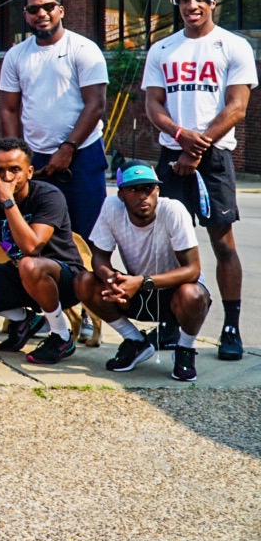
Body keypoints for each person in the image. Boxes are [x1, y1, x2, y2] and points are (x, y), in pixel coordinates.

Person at [141, 0, 256, 361]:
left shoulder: (233, 46)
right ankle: (173, 323)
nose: (191, 6)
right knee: (173, 244)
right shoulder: (161, 49)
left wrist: (197, 148)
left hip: (214, 156)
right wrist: (179, 136)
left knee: (222, 243)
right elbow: (153, 104)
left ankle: (231, 328)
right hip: (172, 154)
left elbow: (237, 106)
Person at [0, 0, 109, 249]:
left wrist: (68, 147)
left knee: (87, 236)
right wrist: (16, 157)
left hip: (82, 154)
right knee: (39, 239)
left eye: (48, 7)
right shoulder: (16, 55)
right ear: (26, 15)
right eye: (33, 9)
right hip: (36, 157)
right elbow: (9, 109)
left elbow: (95, 104)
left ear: (61, 10)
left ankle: (87, 288)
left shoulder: (83, 48)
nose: (42, 14)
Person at [0, 138, 84, 364]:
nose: (6, 177)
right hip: (21, 277)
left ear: (30, 171)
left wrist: (7, 201)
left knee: (29, 264)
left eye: (15, 170)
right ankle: (23, 319)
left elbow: (32, 247)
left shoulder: (48, 196)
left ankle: (61, 336)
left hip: (63, 279)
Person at [81, 162, 209, 382]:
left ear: (158, 190)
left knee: (193, 294)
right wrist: (111, 279)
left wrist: (142, 282)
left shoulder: (173, 210)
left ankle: (185, 349)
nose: (143, 196)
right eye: (133, 190)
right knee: (84, 281)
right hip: (137, 290)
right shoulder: (112, 207)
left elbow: (193, 270)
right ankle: (135, 342)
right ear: (121, 194)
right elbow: (99, 257)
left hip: (174, 293)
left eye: (148, 188)